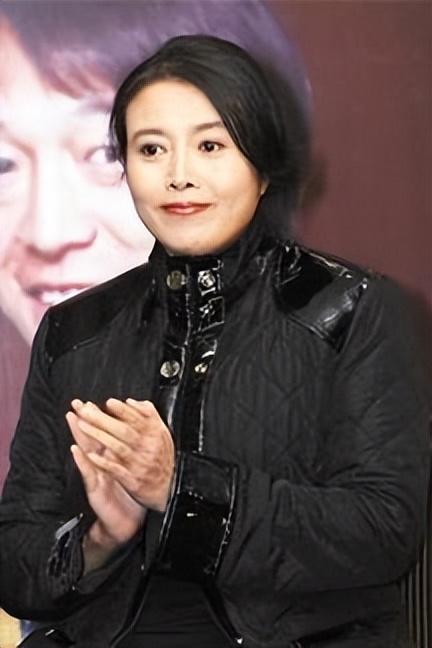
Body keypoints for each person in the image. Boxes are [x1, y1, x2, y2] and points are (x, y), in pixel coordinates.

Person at [0, 34, 428, 648]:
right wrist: (101, 539)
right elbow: (16, 568)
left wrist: (181, 487)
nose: (180, 176)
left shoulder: (351, 309)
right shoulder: (74, 331)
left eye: (210, 146)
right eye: (151, 149)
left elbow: (384, 532)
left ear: (262, 168)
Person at [0, 0, 309, 488]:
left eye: (105, 153)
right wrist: (101, 530)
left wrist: (177, 489)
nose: (49, 232)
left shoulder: (344, 323)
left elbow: (379, 518)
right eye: (4, 164)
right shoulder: (59, 342)